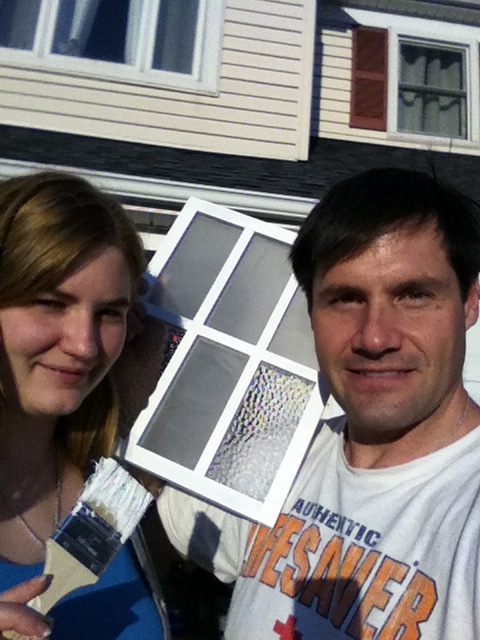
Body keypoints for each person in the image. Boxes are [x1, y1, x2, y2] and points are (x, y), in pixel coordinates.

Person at [158, 167, 480, 638]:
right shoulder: (284, 455)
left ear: (470, 302)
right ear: (310, 312)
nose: (374, 337)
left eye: (413, 295)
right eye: (345, 299)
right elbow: (175, 518)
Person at [0, 171, 168, 639]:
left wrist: (136, 400)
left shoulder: (113, 493)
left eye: (109, 313)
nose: (85, 345)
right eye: (50, 303)